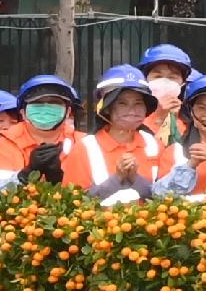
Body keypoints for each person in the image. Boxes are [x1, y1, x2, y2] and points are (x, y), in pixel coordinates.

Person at [73, 66, 193, 204]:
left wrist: (135, 179)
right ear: (107, 109)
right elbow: (75, 202)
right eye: (122, 103)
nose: (132, 110)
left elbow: (166, 198)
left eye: (138, 103)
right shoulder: (85, 148)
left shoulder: (155, 145)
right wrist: (117, 178)